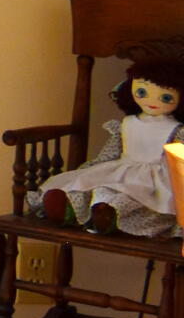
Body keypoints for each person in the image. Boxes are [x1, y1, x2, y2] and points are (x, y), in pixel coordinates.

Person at [39, 40, 184, 238]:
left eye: (166, 98)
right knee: (96, 185)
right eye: (142, 92)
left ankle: (109, 217)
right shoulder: (127, 124)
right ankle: (69, 208)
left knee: (140, 199)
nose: (151, 101)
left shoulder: (175, 130)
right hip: (122, 169)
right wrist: (93, 168)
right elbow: (109, 153)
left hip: (156, 179)